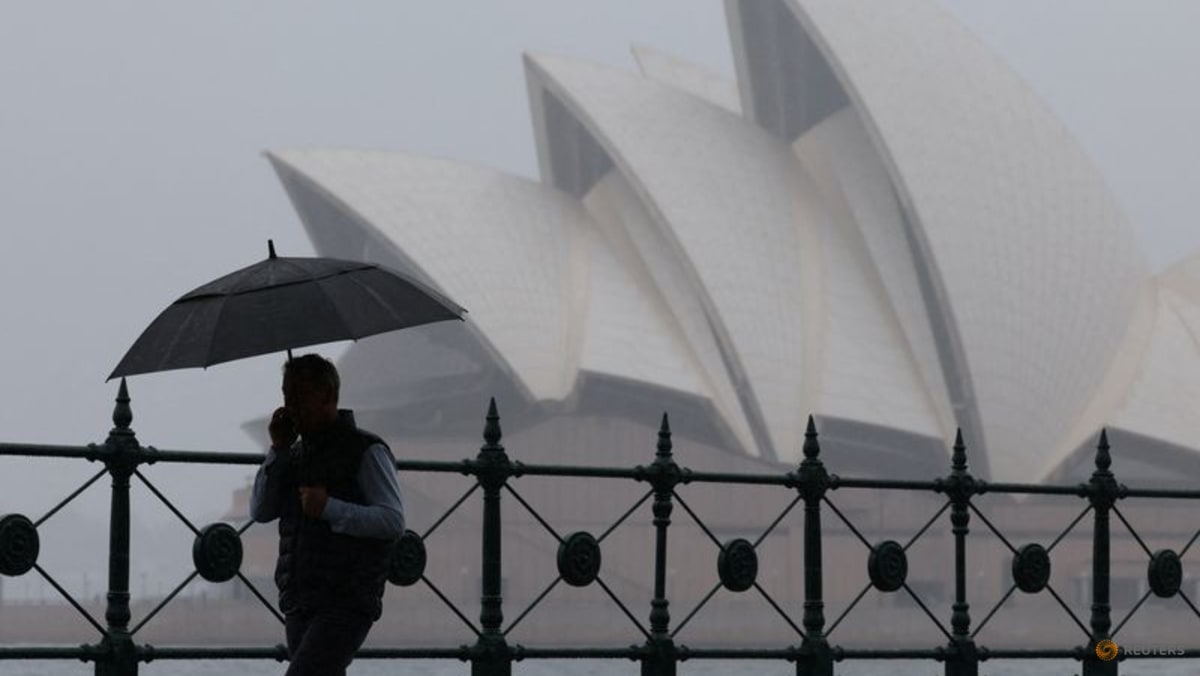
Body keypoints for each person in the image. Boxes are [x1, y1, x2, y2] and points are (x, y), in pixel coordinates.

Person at [250, 353, 405, 676]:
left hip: (346, 598)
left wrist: (329, 508)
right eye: (287, 395)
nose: (292, 406)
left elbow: (392, 521)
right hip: (299, 598)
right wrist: (277, 450)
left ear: (329, 396)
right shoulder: (292, 455)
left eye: (301, 395)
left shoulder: (366, 450)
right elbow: (261, 510)